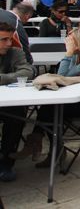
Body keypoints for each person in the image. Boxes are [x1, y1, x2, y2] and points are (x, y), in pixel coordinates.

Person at [17, 26, 80, 166]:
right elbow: (64, 77)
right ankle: (48, 148)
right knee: (49, 109)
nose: (68, 42)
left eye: (71, 40)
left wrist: (67, 53)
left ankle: (50, 149)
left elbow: (61, 76)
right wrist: (70, 55)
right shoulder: (78, 56)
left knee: (50, 111)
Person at [0, 22, 34, 181]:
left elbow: (28, 72)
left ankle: (7, 161)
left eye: (10, 39)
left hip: (10, 104)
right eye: (4, 39)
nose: (8, 43)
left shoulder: (15, 52)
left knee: (18, 114)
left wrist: (2, 79)